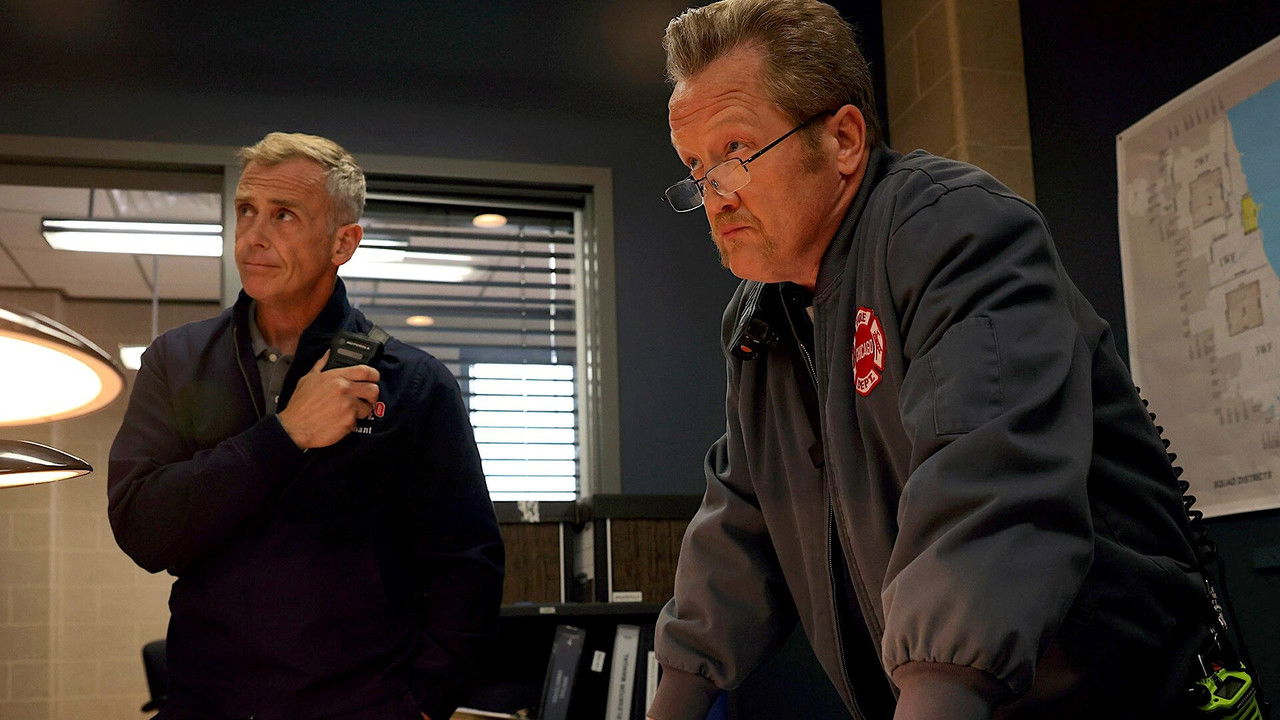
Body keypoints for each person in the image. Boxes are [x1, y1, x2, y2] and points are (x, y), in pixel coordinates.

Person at [648, 2, 1208, 719]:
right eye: (696, 168)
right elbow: (740, 522)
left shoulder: (954, 229)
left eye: (735, 152)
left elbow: (986, 482)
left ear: (843, 139)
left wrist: (940, 692)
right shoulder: (761, 320)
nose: (714, 195)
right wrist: (678, 696)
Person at [108, 132, 504, 720]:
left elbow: (466, 564)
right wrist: (284, 435)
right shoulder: (178, 360)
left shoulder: (413, 384)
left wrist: (422, 704)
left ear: (343, 242)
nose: (253, 236)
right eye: (247, 210)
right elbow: (142, 528)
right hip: (205, 703)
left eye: (284, 215)